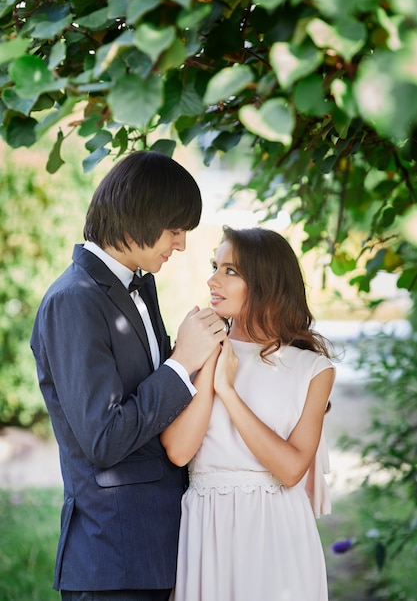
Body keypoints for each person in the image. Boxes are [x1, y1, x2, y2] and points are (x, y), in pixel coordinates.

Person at [30, 150, 227, 601]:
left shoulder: (138, 284)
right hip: (112, 559)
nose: (180, 244)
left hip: (159, 550)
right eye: (175, 230)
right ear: (140, 216)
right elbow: (104, 439)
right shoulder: (73, 300)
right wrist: (182, 363)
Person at [161, 225, 336, 601]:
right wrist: (210, 363)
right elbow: (178, 451)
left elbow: (291, 470)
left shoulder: (314, 370)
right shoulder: (198, 346)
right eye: (215, 266)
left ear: (265, 283)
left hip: (278, 534)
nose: (212, 280)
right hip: (207, 529)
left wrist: (228, 391)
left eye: (230, 271)